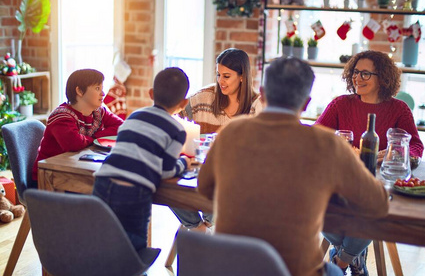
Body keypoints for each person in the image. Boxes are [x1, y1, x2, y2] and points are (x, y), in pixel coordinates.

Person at [197, 56, 389, 276]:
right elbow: (378, 203)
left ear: (263, 94)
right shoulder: (328, 144)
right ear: (307, 103)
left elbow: (204, 189)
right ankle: (345, 259)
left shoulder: (231, 132)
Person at [316, 50, 424, 276]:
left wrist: (396, 152)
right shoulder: (341, 104)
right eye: (355, 72)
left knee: (374, 211)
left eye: (366, 73)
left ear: (382, 78)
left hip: (379, 184)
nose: (358, 78)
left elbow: (416, 146)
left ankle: (341, 261)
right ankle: (354, 254)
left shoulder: (399, 109)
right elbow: (316, 135)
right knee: (314, 203)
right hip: (341, 182)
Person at [93, 67, 192, 251]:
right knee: (136, 243)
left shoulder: (133, 117)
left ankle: (103, 264)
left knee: (103, 232)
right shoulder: (177, 130)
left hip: (102, 182)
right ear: (184, 102)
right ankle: (131, 269)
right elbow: (166, 171)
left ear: (151, 93)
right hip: (134, 191)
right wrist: (183, 163)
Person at [172, 48, 263, 232]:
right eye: (218, 74)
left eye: (227, 76)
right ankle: (199, 227)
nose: (220, 81)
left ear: (242, 76)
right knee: (168, 183)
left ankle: (205, 227)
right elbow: (174, 115)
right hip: (200, 175)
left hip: (234, 182)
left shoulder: (256, 104)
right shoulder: (204, 98)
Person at [32, 69, 123, 181]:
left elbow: (122, 127)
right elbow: (74, 144)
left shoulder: (99, 111)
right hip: (48, 178)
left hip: (73, 171)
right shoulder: (61, 116)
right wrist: (97, 139)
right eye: (97, 88)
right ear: (79, 91)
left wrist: (94, 138)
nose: (103, 93)